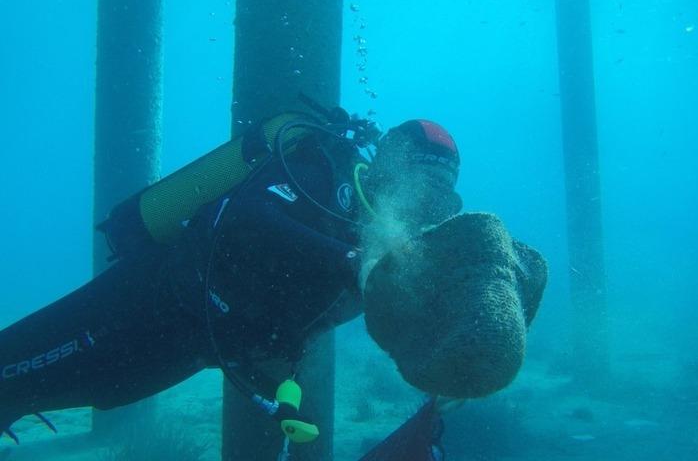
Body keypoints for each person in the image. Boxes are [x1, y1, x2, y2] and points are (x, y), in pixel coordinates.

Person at [0, 100, 463, 444]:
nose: (422, 208)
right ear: (385, 170)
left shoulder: (379, 238)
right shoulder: (321, 174)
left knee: (77, 391)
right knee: (9, 366)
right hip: (155, 297)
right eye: (418, 188)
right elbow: (248, 215)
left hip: (201, 347)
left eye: (437, 201)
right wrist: (347, 262)